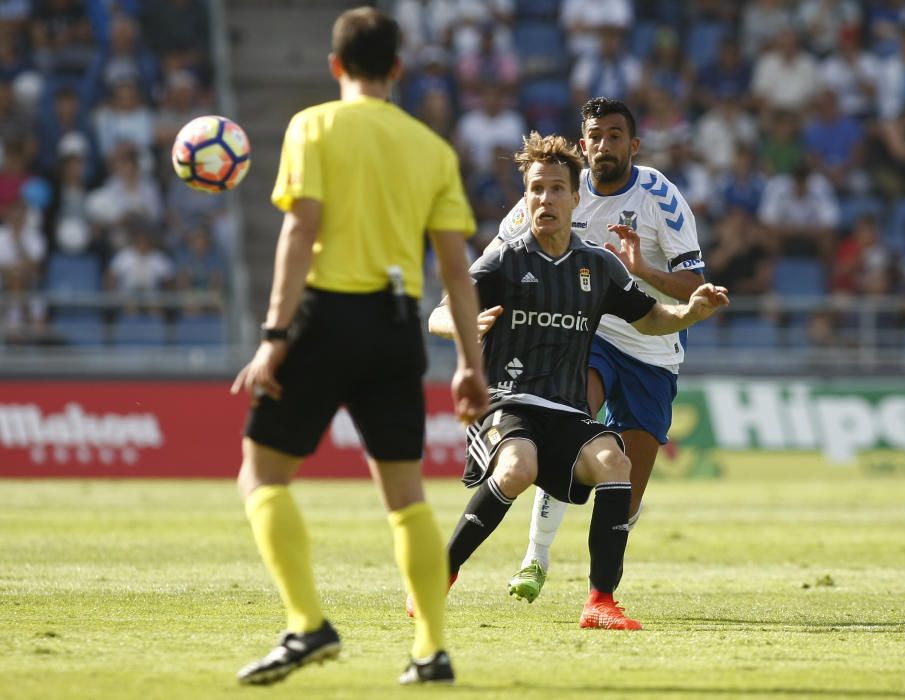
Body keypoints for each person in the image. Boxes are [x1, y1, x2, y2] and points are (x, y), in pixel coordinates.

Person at [230, 7, 488, 687]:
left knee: (261, 475)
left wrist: (274, 336)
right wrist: (469, 365)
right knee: (406, 495)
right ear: (398, 70)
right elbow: (457, 270)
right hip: (397, 324)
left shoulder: (312, 126)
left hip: (327, 318)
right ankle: (430, 651)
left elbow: (299, 232)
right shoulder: (431, 149)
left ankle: (306, 624)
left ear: (335, 66)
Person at [425, 131, 728, 629]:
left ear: (576, 197)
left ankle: (600, 602)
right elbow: (440, 313)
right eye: (536, 189)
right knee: (519, 466)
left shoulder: (598, 266)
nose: (546, 199)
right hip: (507, 404)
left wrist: (691, 312)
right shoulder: (505, 259)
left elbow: (651, 319)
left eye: (557, 189)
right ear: (525, 198)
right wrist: (461, 324)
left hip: (564, 412)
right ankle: (441, 572)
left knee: (615, 463)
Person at [494, 98, 708, 604]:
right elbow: (501, 250)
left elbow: (692, 285)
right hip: (587, 337)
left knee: (627, 491)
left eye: (615, 136)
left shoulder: (661, 195)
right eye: (595, 136)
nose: (604, 145)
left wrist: (642, 271)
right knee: (565, 427)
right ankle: (535, 559)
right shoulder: (563, 187)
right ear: (582, 141)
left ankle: (600, 585)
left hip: (652, 343)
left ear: (633, 145)